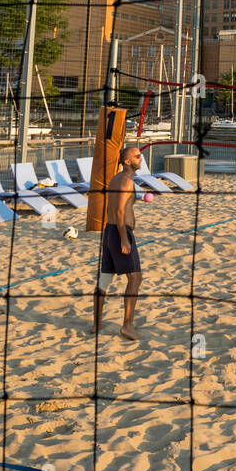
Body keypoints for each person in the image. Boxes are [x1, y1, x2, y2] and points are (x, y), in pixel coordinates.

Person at [92, 143, 144, 342]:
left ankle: (97, 323)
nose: (141, 158)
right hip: (119, 233)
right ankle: (127, 326)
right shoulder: (126, 181)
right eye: (137, 156)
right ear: (127, 161)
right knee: (135, 279)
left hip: (109, 232)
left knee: (105, 279)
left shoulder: (116, 179)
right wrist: (124, 238)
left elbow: (113, 210)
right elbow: (121, 211)